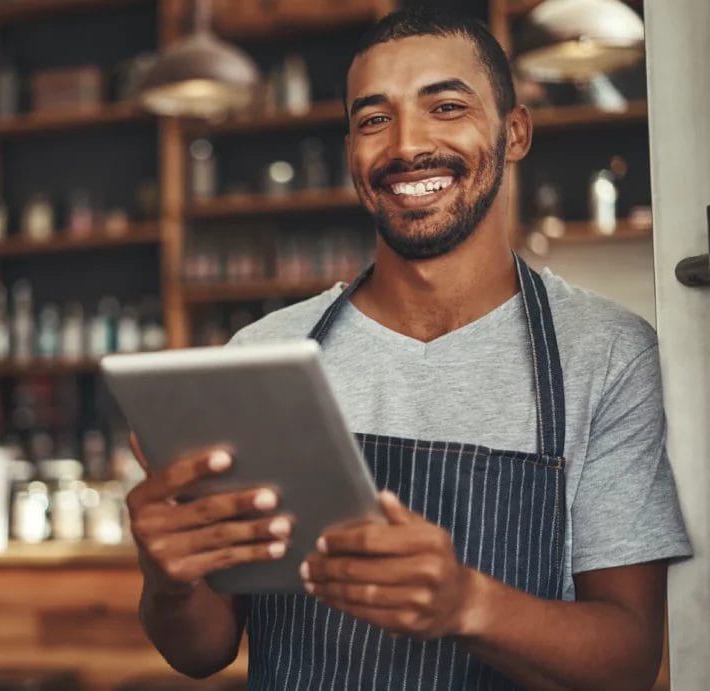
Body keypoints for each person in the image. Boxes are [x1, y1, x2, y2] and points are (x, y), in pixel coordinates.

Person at [124, 8, 692, 690]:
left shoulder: (606, 354)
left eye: (446, 106)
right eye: (373, 119)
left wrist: (467, 603)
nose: (406, 145)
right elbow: (203, 650)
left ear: (514, 133)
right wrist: (170, 580)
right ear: (351, 153)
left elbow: (630, 658)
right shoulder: (266, 352)